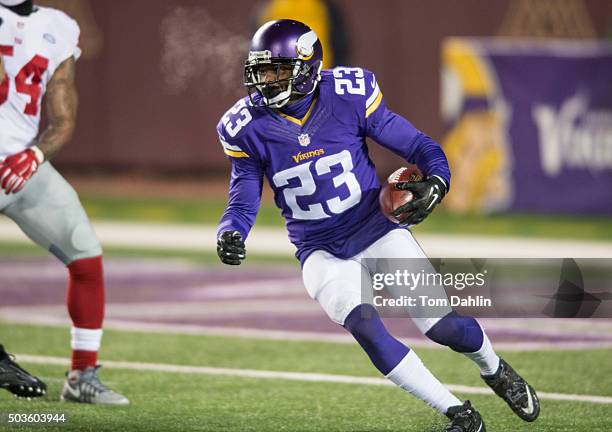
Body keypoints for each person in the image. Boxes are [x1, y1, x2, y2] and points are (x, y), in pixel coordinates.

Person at [216, 19, 540, 431]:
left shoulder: (347, 95)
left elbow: (419, 145)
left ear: (307, 67)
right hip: (318, 248)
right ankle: (458, 413)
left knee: (443, 327)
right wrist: (230, 230)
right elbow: (243, 194)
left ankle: (494, 369)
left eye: (278, 69)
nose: (267, 81)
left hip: (376, 228)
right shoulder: (246, 127)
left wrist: (438, 180)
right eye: (262, 71)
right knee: (366, 327)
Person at [0, 0, 127, 405]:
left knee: (84, 252)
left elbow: (62, 115)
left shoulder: (58, 26)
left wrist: (34, 155)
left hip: (19, 162)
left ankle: (82, 376)